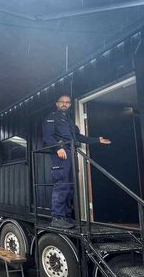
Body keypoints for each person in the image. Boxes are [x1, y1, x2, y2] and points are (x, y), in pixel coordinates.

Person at [43, 95, 111, 229]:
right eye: (62, 102)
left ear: (69, 105)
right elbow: (47, 136)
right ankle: (57, 217)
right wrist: (58, 147)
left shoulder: (69, 121)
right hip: (60, 154)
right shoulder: (51, 117)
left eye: (67, 102)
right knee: (62, 185)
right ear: (57, 103)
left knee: (70, 186)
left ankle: (66, 217)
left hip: (71, 153)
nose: (64, 104)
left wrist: (97, 140)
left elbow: (78, 137)